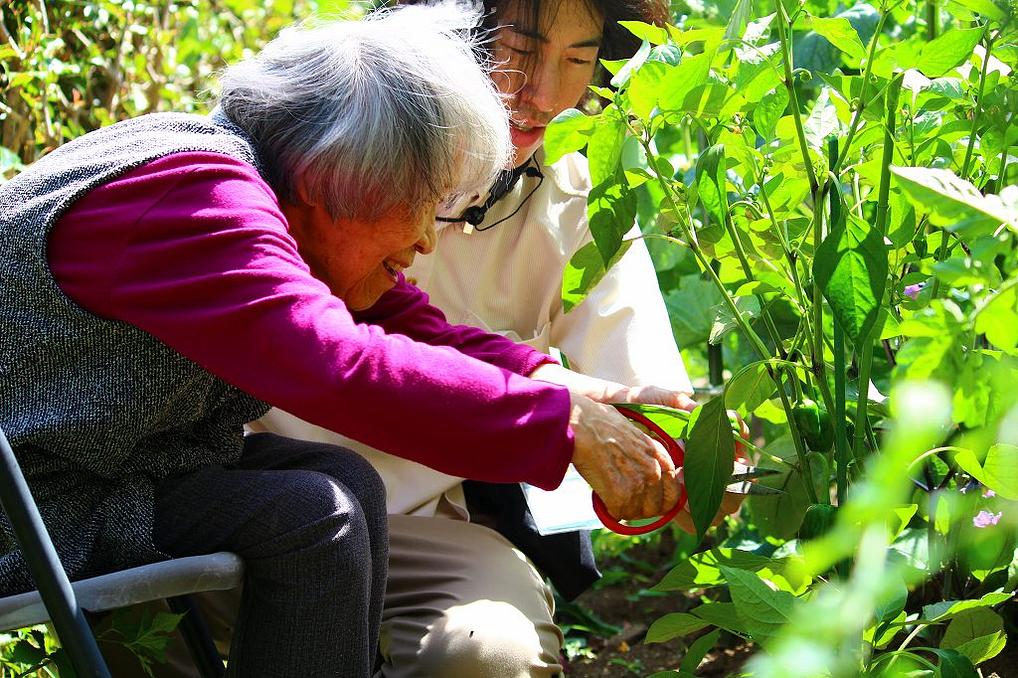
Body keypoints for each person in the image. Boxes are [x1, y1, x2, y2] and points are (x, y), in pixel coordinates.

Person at [0, 4, 683, 677]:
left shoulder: (255, 189)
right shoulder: (198, 200)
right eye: (423, 202)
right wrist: (559, 427)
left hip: (87, 484)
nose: (425, 239)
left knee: (339, 484)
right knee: (308, 515)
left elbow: (411, 327)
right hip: (30, 508)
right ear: (342, 175)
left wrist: (559, 387)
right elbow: (339, 363)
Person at [251, 1, 726, 677]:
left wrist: (701, 467)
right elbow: (346, 361)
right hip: (253, 501)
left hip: (421, 532)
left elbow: (637, 393)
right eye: (520, 50)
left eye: (578, 59)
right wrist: (555, 419)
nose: (546, 93)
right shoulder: (317, 152)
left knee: (487, 651)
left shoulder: (571, 202)